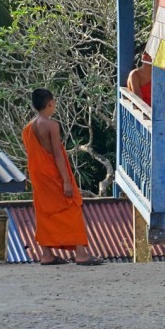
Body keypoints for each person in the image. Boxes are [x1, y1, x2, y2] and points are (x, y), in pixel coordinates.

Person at [22, 89, 103, 265]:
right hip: (53, 175)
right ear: (50, 103)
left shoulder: (27, 128)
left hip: (38, 177)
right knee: (72, 208)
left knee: (44, 211)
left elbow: (33, 155)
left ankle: (47, 254)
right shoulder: (51, 125)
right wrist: (66, 180)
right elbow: (57, 154)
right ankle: (81, 254)